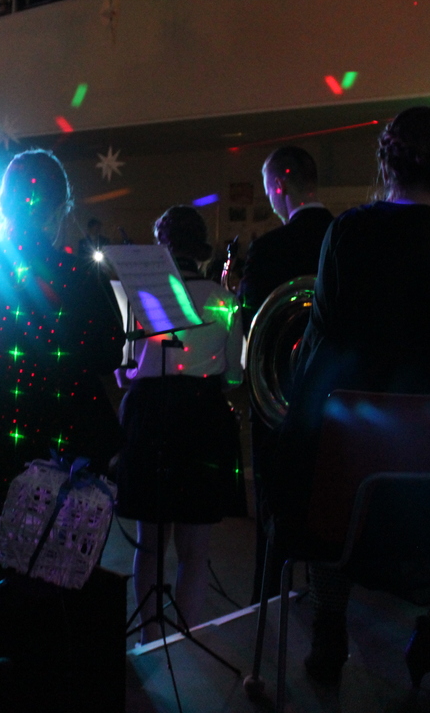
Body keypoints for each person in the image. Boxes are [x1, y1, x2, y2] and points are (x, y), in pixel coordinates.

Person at [282, 107, 430, 690]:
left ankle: (329, 626)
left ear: (386, 164)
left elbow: (319, 349)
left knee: (327, 463)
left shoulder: (346, 230)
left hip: (339, 472)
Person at [0, 149, 124, 510]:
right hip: (61, 434)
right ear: (60, 207)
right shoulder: (79, 274)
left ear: (2, 203)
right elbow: (109, 355)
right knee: (56, 535)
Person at [115, 205, 244, 645]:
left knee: (149, 541)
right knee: (195, 546)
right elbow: (234, 377)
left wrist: (135, 374)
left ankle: (149, 639)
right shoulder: (224, 299)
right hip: (202, 417)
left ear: (161, 247)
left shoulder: (144, 295)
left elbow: (131, 371)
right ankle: (182, 642)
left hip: (150, 415)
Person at [237, 146, 335, 602]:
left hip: (280, 403)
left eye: (268, 190)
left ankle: (269, 603)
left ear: (279, 186)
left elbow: (252, 327)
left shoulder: (270, 248)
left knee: (276, 511)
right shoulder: (343, 237)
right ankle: (327, 601)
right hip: (338, 400)